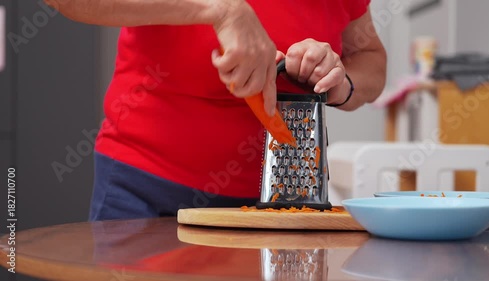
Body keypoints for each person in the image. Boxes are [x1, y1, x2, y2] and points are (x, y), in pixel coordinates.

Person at [48, 0, 386, 220]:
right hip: (145, 191)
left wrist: (340, 83)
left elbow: (370, 58)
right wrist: (220, 9)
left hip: (278, 208)